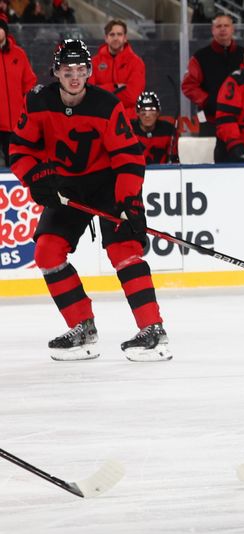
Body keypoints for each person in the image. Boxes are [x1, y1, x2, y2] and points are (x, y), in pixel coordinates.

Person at [9, 39, 171, 362]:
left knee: (124, 250)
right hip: (65, 186)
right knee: (46, 251)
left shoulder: (106, 105)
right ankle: (82, 327)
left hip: (107, 183)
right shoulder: (38, 101)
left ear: (89, 72)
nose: (74, 77)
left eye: (81, 70)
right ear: (56, 71)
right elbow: (20, 150)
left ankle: (153, 330)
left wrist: (130, 201)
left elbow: (129, 157)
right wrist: (36, 178)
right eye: (67, 71)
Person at [181, 12, 244, 137]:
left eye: (226, 26)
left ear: (232, 29)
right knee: (208, 154)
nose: (223, 29)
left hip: (240, 119)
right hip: (209, 119)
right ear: (212, 30)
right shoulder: (200, 57)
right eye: (219, 26)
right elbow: (188, 86)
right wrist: (208, 101)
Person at [89, 20, 146, 120]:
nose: (116, 38)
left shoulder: (136, 63)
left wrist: (102, 91)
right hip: (101, 119)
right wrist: (115, 86)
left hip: (128, 121)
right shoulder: (94, 62)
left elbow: (133, 96)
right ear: (106, 38)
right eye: (112, 34)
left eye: (119, 34)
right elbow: (90, 94)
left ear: (125, 38)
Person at [0, 16, 37, 167]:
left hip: (15, 124)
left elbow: (30, 83)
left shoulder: (19, 54)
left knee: (15, 166)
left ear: (5, 31)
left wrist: (26, 110)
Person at [131, 91, 179, 165]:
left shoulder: (168, 130)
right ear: (137, 113)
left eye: (152, 110)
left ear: (158, 113)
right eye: (143, 110)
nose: (147, 115)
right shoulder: (130, 130)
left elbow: (174, 161)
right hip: (136, 174)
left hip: (162, 173)